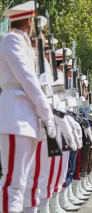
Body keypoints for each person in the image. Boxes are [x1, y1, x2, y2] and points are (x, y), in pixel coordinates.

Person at [0, 2, 56, 212]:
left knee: (25, 183)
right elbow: (28, 80)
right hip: (16, 118)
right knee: (13, 184)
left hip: (26, 119)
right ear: (28, 20)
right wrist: (46, 113)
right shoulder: (11, 40)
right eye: (34, 22)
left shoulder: (23, 45)